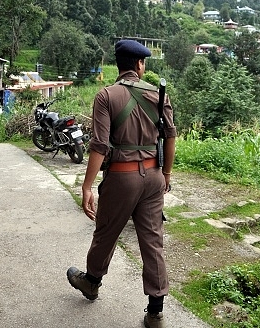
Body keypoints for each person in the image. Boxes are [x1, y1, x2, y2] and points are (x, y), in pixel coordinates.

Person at [66, 39, 176, 328]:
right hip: (153, 177)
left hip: (121, 177)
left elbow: (99, 145)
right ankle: (155, 312)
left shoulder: (106, 96)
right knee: (153, 241)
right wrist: (166, 174)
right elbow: (170, 136)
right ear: (139, 65)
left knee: (106, 232)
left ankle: (91, 282)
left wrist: (87, 185)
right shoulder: (159, 95)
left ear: (119, 65)